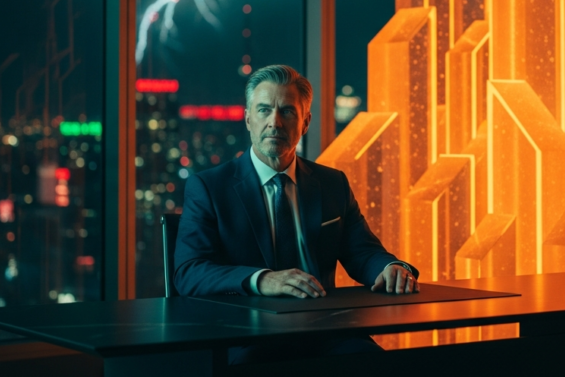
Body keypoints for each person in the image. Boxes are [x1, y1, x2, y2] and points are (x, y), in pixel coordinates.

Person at [174, 64, 419, 364]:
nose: (274, 122)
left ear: (305, 123)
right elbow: (189, 271)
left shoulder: (332, 183)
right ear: (248, 118)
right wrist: (262, 280)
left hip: (325, 329)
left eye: (287, 111)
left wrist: (390, 267)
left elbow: (362, 252)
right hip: (249, 334)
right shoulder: (209, 188)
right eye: (264, 110)